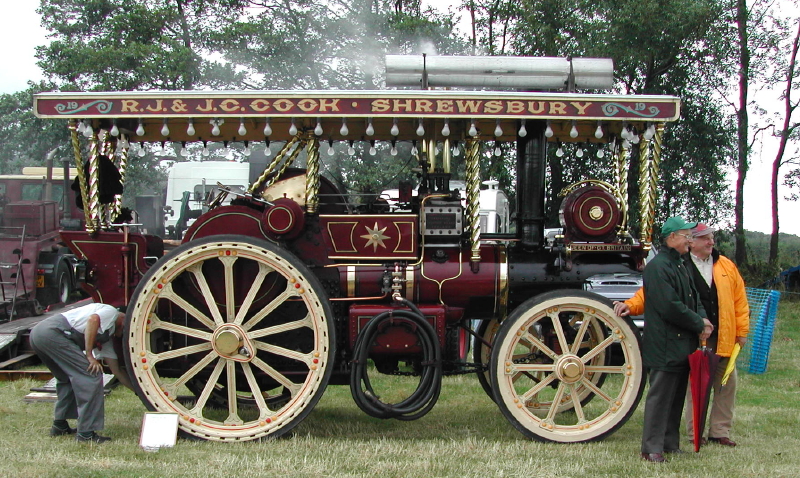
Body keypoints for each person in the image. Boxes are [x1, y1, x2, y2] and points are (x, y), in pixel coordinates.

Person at [616, 223, 749, 447]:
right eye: (704, 238)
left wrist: (742, 331)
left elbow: (740, 301)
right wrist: (631, 305)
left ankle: (720, 431)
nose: (711, 242)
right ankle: (695, 433)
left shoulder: (726, 265)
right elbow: (654, 294)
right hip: (693, 335)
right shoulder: (678, 264)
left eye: (712, 238)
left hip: (722, 334)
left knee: (726, 383)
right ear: (691, 241)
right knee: (696, 385)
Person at [623, 216, 713, 462]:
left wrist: (703, 319)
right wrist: (698, 323)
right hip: (664, 343)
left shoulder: (682, 264)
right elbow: (669, 306)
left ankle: (670, 443)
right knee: (661, 397)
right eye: (686, 236)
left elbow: (694, 298)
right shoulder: (658, 267)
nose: (690, 241)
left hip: (682, 343)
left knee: (676, 397)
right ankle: (651, 448)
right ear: (672, 237)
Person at [29, 302, 130, 443]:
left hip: (38, 333)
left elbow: (116, 370)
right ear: (124, 317)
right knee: (91, 375)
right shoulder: (111, 312)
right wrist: (89, 355)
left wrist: (139, 392)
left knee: (66, 379)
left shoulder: (106, 335)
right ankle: (86, 434)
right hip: (53, 332)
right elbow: (93, 320)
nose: (125, 332)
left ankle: (60, 426)